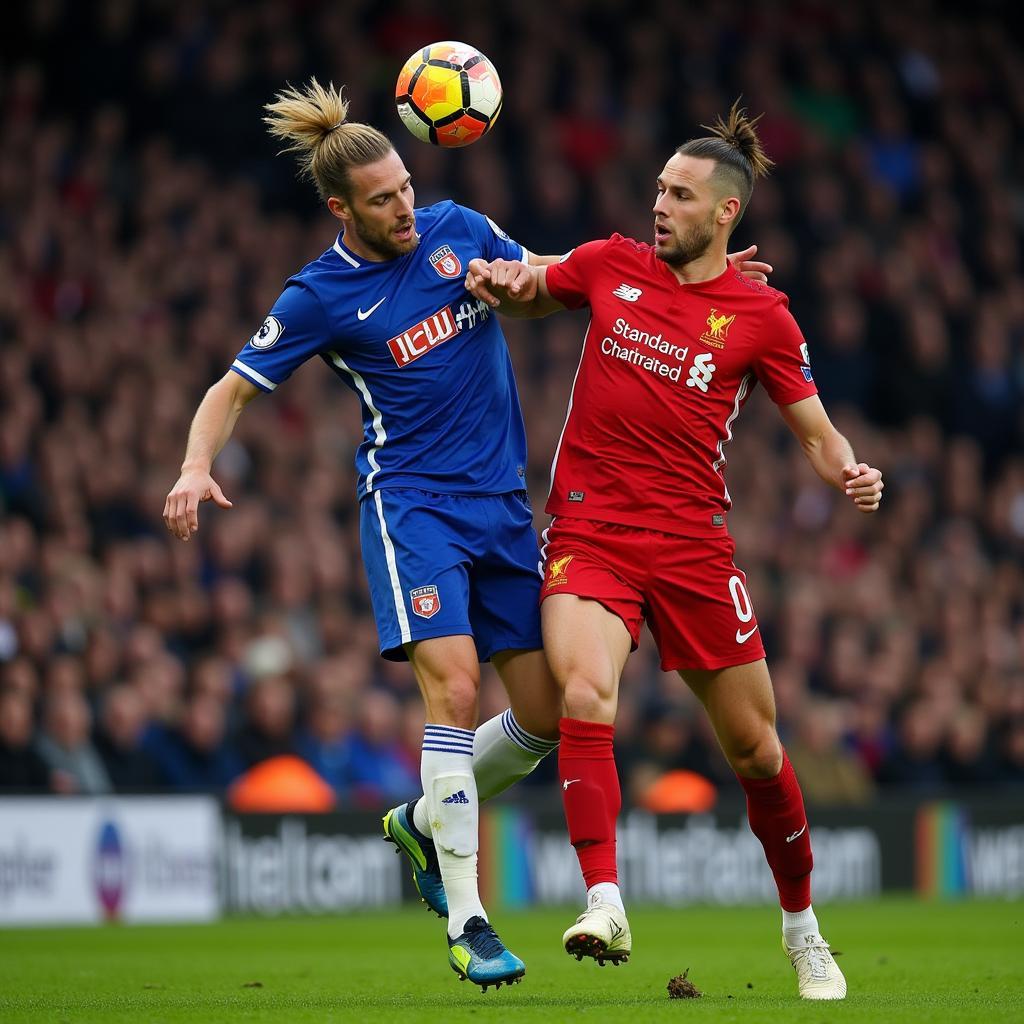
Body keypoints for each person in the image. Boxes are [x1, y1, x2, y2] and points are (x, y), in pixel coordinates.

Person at [163, 79, 771, 991]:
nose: (405, 208)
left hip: (502, 507)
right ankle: (467, 915)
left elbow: (549, 275)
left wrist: (689, 280)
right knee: (451, 688)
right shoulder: (319, 295)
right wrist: (192, 466)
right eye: (383, 200)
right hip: (411, 507)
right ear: (342, 209)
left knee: (546, 713)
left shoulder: (457, 229)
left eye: (407, 187)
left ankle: (419, 820)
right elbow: (232, 389)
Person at [465, 102, 883, 1001]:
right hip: (591, 534)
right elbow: (540, 280)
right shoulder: (613, 264)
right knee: (583, 690)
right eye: (658, 188)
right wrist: (502, 277)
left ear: (726, 212)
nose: (660, 205)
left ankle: (803, 930)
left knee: (758, 752)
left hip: (695, 548)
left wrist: (850, 469)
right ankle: (605, 900)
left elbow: (813, 430)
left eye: (680, 195)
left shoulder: (762, 315)